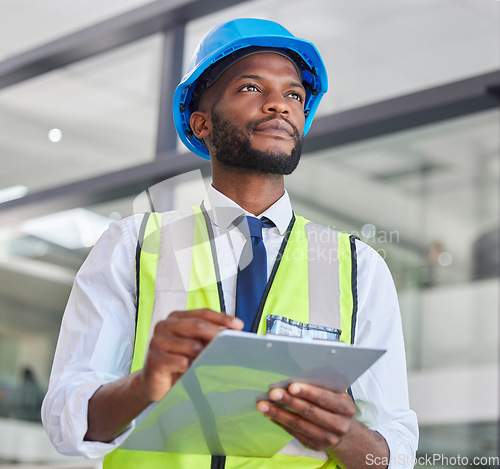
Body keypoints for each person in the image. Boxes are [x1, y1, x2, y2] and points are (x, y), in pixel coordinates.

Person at [42, 18, 418, 469]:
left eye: (294, 94)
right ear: (201, 122)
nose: (280, 104)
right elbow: (67, 422)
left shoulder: (359, 267)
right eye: (251, 88)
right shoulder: (133, 246)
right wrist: (144, 385)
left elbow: (394, 454)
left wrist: (346, 435)